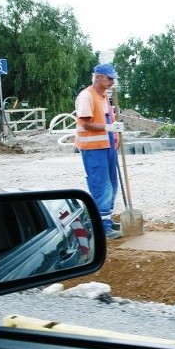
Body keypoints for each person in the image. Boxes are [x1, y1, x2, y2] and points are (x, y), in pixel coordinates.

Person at [74, 63, 124, 240]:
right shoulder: (86, 96)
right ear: (98, 77)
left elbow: (108, 120)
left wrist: (115, 135)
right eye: (109, 78)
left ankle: (107, 219)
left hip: (107, 146)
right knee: (101, 186)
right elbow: (86, 123)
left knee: (112, 183)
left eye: (113, 78)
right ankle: (102, 226)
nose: (112, 81)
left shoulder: (103, 97)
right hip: (93, 148)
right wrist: (109, 127)